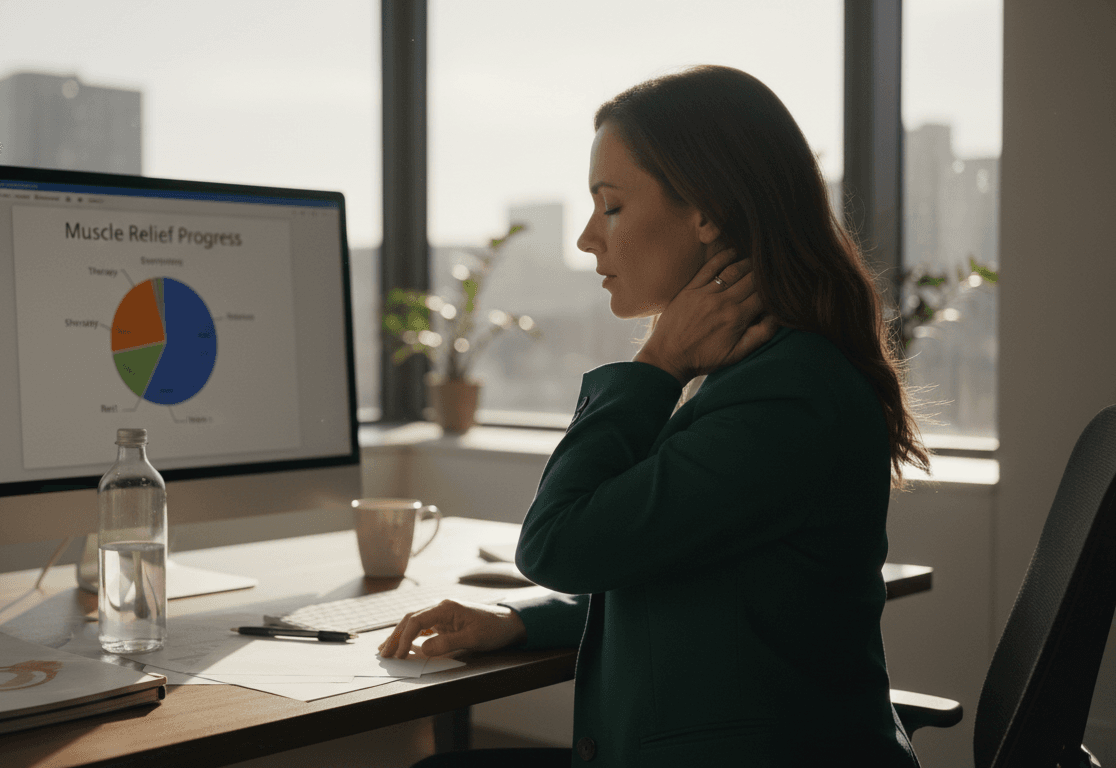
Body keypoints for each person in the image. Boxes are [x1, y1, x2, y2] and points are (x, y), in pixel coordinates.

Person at [380, 64, 931, 768]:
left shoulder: (786, 395)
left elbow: (556, 544)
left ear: (707, 210)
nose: (587, 238)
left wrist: (658, 363)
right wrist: (517, 620)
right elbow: (687, 569)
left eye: (610, 206)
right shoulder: (760, 373)